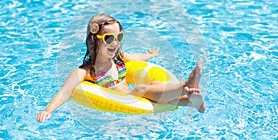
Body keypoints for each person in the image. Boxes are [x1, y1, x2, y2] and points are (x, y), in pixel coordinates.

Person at [36, 14, 205, 123]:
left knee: (152, 84)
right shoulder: (86, 72)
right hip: (125, 98)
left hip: (136, 95)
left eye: (119, 37)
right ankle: (185, 86)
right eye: (109, 38)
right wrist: (48, 110)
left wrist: (149, 56)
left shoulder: (118, 58)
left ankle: (192, 102)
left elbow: (135, 57)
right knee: (142, 88)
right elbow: (65, 92)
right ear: (95, 41)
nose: (115, 43)